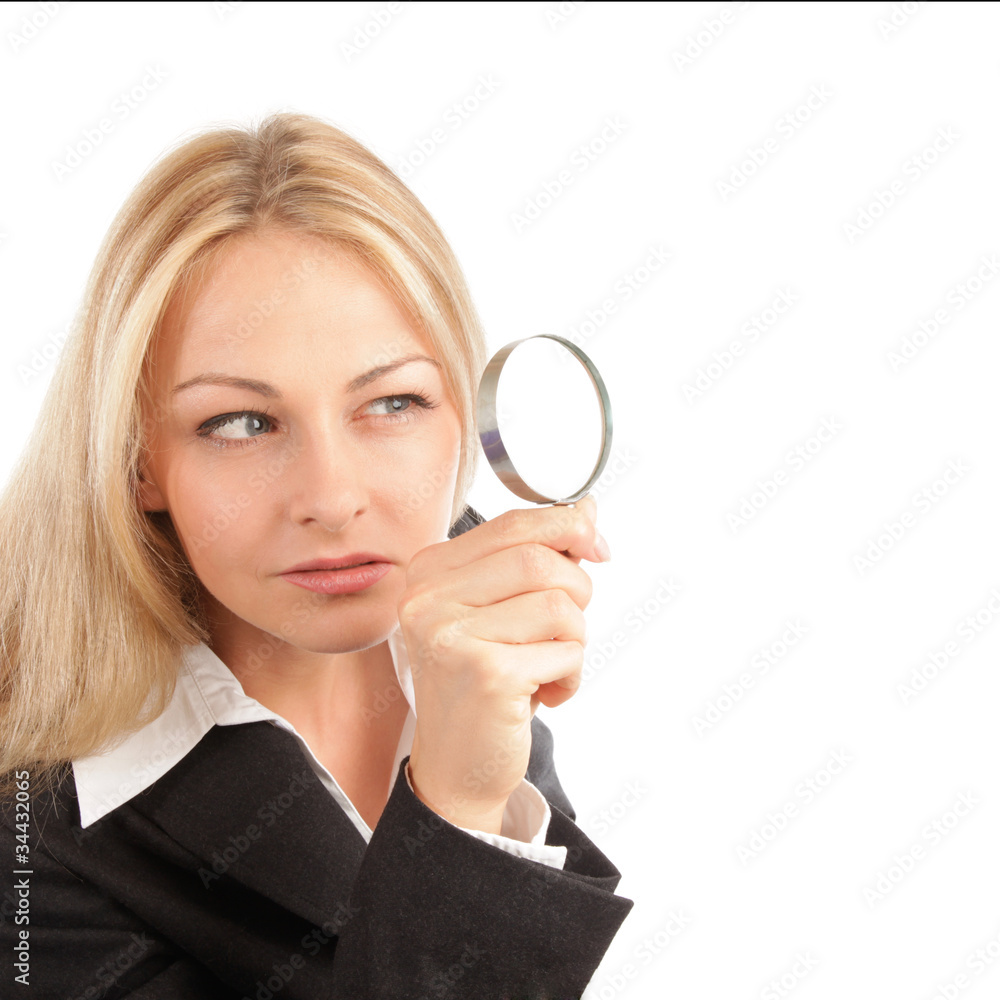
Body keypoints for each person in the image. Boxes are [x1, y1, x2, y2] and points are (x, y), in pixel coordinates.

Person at [0, 111, 632, 997]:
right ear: (137, 461)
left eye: (394, 403)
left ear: (461, 414)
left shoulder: (467, 651)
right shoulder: (28, 835)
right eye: (240, 422)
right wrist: (456, 814)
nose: (333, 500)